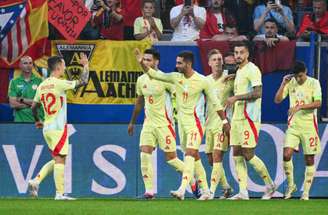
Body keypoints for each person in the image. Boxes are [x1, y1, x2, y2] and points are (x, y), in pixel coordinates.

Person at [135, 49, 231, 200]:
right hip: (182, 125)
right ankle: (206, 191)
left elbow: (215, 102)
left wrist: (224, 120)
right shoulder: (175, 78)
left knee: (189, 155)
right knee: (195, 158)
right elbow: (154, 74)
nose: (176, 65)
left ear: (188, 63)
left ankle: (181, 189)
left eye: (179, 63)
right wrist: (142, 63)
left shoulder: (202, 81)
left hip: (196, 124)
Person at [128, 49, 199, 199]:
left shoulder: (165, 79)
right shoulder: (141, 80)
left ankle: (191, 179)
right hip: (149, 124)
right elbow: (139, 102)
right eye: (144, 60)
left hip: (165, 125)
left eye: (148, 60)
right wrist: (132, 122)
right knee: (144, 154)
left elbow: (179, 96)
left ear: (156, 62)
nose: (146, 62)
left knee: (171, 159)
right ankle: (149, 191)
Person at [28, 53, 89, 200]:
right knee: (61, 159)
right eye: (63, 65)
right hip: (58, 128)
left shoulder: (42, 85)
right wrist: (86, 65)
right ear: (59, 67)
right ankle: (59, 194)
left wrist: (37, 120)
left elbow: (33, 107)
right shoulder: (59, 83)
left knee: (57, 159)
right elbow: (83, 81)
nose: (65, 67)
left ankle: (36, 180)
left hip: (47, 128)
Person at [226, 41, 276, 200]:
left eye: (241, 52)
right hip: (237, 118)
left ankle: (270, 185)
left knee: (248, 153)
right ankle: (243, 192)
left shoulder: (253, 70)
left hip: (249, 118)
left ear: (247, 54)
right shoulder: (239, 71)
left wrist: (236, 98)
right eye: (236, 53)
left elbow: (257, 93)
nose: (238, 55)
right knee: (236, 153)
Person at [274, 61, 322, 200]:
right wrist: (283, 84)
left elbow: (318, 103)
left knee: (309, 158)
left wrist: (299, 107)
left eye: (301, 76)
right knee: (286, 154)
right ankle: (291, 185)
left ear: (305, 71)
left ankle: (305, 192)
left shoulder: (314, 83)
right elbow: (277, 100)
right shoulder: (291, 82)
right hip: (293, 126)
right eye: (297, 76)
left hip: (309, 126)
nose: (299, 79)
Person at [204, 49, 234, 199]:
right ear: (209, 63)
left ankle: (210, 191)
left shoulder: (230, 78)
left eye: (220, 59)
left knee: (217, 156)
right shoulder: (206, 80)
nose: (218, 61)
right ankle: (226, 187)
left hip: (224, 123)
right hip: (209, 123)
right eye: (214, 59)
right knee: (210, 159)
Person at [8, 56, 43, 122]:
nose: (28, 65)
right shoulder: (14, 82)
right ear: (20, 65)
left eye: (30, 63)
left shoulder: (40, 81)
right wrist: (32, 104)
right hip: (20, 120)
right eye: (25, 63)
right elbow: (13, 104)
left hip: (37, 120)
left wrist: (21, 99)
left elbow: (40, 103)